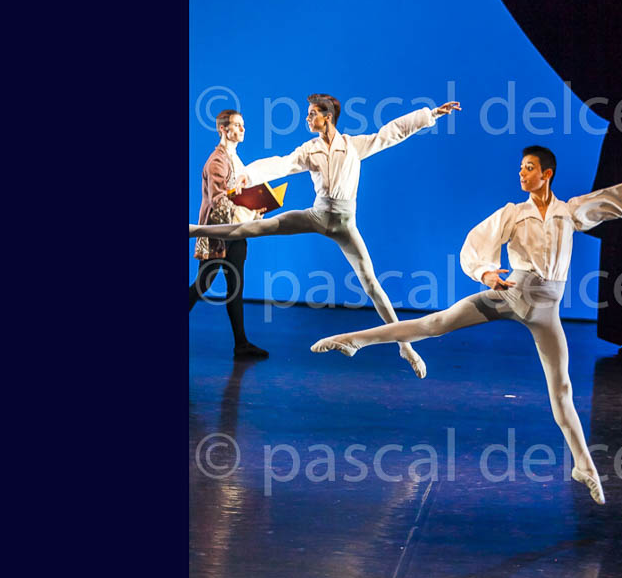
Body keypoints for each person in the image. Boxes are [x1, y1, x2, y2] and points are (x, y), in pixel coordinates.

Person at [310, 145, 622, 504]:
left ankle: (583, 466)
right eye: (521, 168)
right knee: (435, 323)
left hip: (546, 311)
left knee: (562, 389)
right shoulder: (513, 213)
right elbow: (476, 242)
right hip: (509, 295)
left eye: (529, 168)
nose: (522, 173)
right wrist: (487, 273)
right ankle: (355, 340)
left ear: (546, 174)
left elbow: (616, 202)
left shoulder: (569, 212)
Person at [189, 94, 461, 378]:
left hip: (345, 224)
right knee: (260, 228)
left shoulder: (353, 146)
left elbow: (391, 133)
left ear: (327, 117)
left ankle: (405, 347)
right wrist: (249, 175)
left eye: (312, 114)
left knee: (371, 284)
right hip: (318, 216)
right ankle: (194, 230)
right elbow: (283, 163)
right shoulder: (311, 149)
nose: (307, 118)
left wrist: (430, 115)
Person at [189, 109, 269, 359]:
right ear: (223, 129)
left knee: (235, 287)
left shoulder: (234, 158)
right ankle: (241, 344)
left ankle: (241, 344)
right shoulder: (217, 161)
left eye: (243, 124)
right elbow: (219, 202)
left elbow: (237, 195)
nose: (243, 129)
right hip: (218, 233)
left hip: (235, 232)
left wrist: (256, 206)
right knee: (203, 283)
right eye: (237, 125)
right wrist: (250, 212)